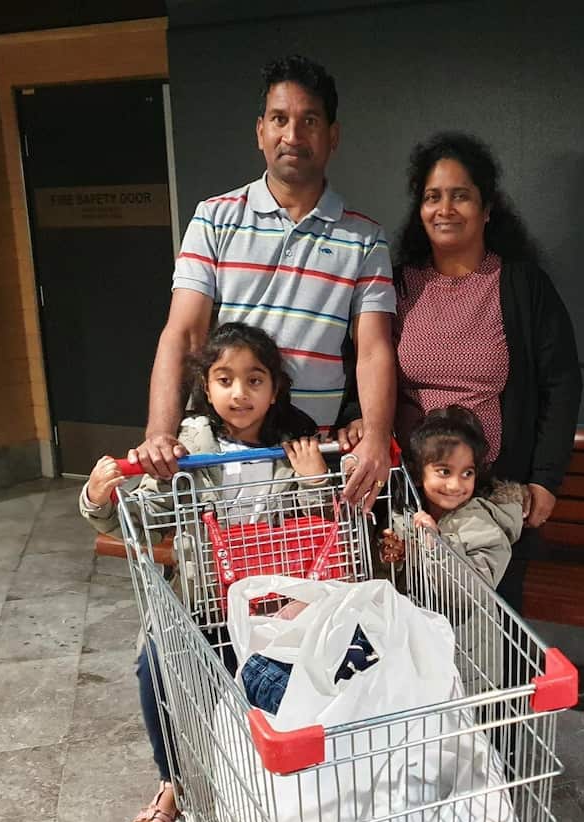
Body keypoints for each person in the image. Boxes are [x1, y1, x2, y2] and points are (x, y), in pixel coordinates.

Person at [81, 324, 330, 822]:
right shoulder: (185, 448)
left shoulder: (296, 445)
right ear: (207, 385)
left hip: (274, 607)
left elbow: (322, 534)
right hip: (203, 604)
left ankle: (289, 789)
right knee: (157, 663)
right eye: (225, 379)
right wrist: (101, 498)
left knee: (286, 682)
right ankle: (172, 781)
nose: (240, 393)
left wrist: (312, 483)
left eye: (254, 379)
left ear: (276, 387)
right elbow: (148, 518)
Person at [130, 54, 396, 508]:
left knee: (315, 577)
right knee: (220, 575)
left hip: (313, 461)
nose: (292, 135)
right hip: (224, 459)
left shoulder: (366, 238)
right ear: (260, 132)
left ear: (332, 136)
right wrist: (160, 432)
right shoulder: (214, 219)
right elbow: (185, 333)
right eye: (279, 119)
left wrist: (376, 436)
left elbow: (373, 350)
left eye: (309, 120)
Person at [343, 132, 582, 610]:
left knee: (482, 630)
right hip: (406, 496)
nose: (444, 208)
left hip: (488, 501)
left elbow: (562, 383)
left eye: (460, 195)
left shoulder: (521, 286)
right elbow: (365, 364)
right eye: (432, 197)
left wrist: (546, 480)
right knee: (401, 623)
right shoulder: (396, 284)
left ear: (487, 208)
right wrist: (357, 417)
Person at [381, 406, 524, 588]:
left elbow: (472, 594)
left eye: (467, 473)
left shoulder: (484, 526)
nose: (455, 485)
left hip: (464, 617)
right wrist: (392, 555)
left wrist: (436, 546)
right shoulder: (404, 517)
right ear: (417, 473)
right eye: (444, 471)